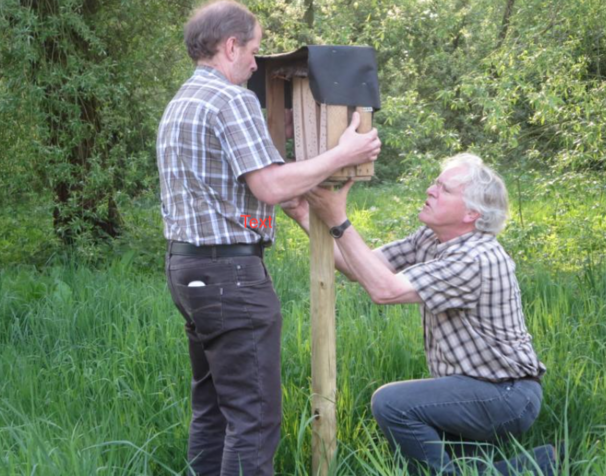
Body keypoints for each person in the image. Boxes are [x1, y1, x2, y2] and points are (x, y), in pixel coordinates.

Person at [156, 1, 381, 475]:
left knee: (214, 409)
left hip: (187, 268)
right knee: (254, 418)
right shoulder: (231, 99)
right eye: (254, 50)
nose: (257, 64)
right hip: (230, 276)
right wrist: (344, 153)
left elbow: (231, 181)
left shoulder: (184, 101)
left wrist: (288, 162)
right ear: (230, 46)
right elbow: (270, 186)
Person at [283, 153, 557, 475]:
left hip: (504, 396)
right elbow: (360, 268)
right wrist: (304, 214)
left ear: (472, 213)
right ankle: (541, 463)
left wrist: (339, 220)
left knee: (392, 403)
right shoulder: (432, 238)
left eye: (444, 189)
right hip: (474, 389)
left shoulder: (475, 259)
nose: (430, 190)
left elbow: (384, 290)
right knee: (464, 465)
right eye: (435, 183)